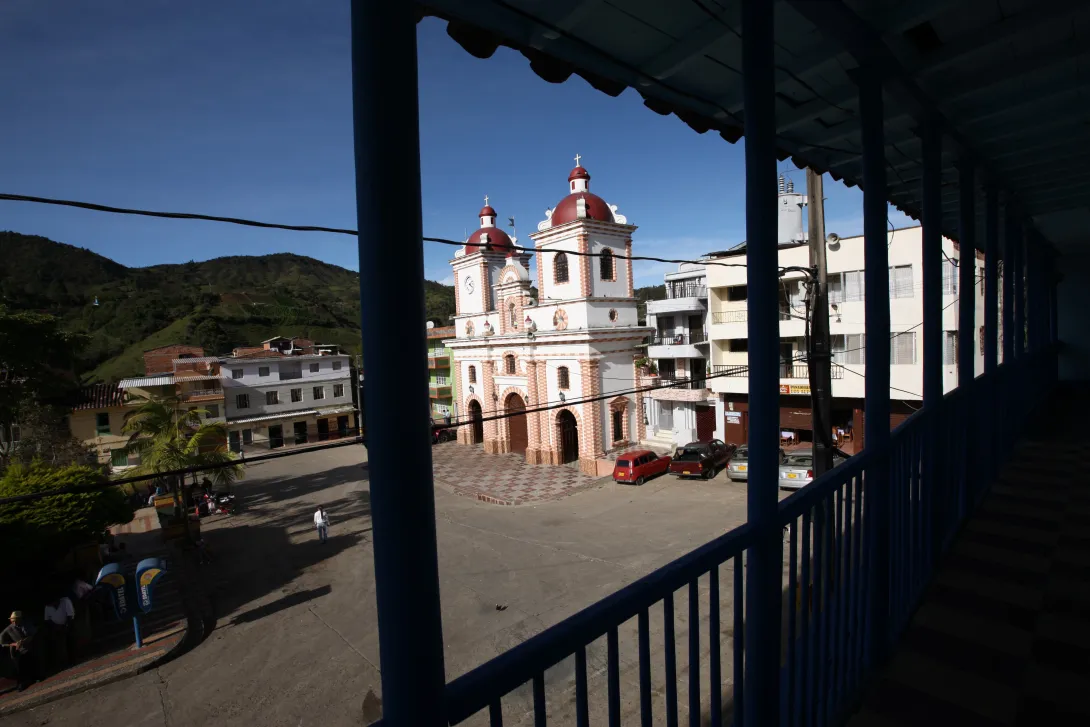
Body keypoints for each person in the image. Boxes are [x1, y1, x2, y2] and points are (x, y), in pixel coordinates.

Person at [1, 611, 38, 691]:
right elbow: (2, 642)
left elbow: (32, 635)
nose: (14, 622)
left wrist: (24, 641)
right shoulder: (9, 629)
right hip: (20, 650)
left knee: (31, 661)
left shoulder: (26, 624)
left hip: (29, 646)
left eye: (16, 620)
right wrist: (13, 644)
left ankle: (33, 677)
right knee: (21, 665)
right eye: (13, 620)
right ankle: (23, 682)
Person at [43, 595, 74, 670]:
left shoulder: (65, 601)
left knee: (70, 641)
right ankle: (63, 663)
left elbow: (70, 616)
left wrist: (66, 626)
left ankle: (72, 660)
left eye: (53, 604)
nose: (51, 606)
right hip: (56, 628)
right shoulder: (48, 607)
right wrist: (56, 626)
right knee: (59, 645)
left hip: (68, 624)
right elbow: (47, 620)